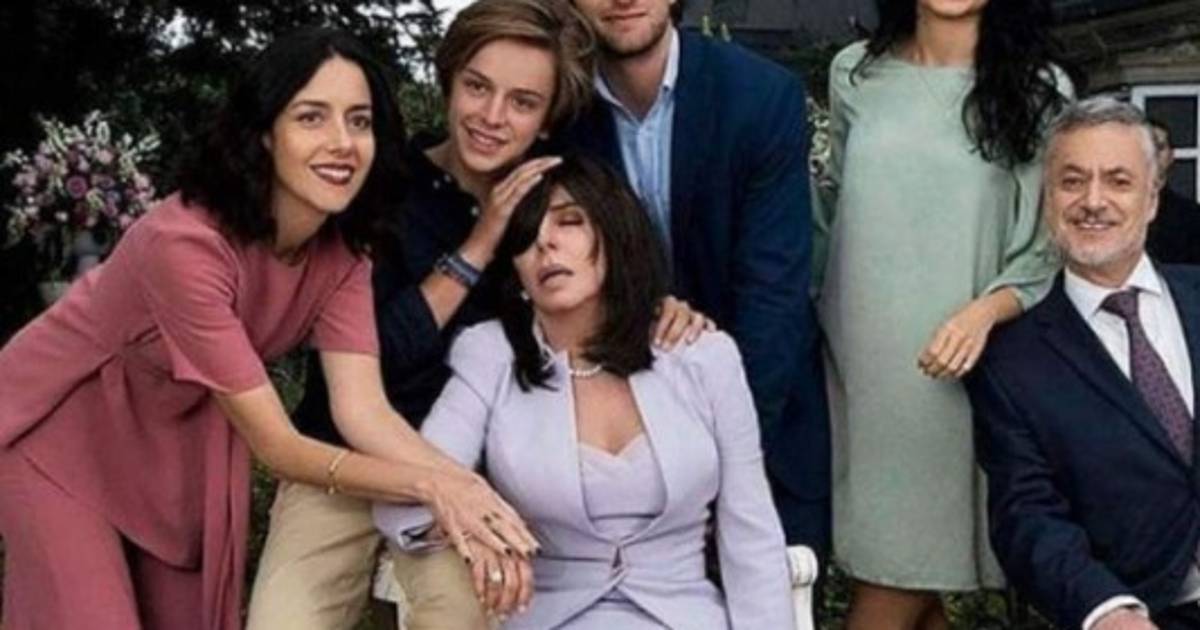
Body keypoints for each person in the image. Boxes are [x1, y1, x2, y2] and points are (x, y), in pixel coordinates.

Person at [0, 27, 536, 630]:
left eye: (359, 121)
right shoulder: (183, 246)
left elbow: (363, 410)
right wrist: (437, 487)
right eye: (311, 117)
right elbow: (278, 447)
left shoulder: (343, 252)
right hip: (64, 433)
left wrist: (467, 492)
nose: (342, 143)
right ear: (263, 133)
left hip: (175, 452)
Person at [247, 5, 709, 630]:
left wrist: (661, 309)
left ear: (547, 120)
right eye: (477, 87)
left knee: (467, 612)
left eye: (522, 102)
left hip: (471, 474)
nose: (492, 117)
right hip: (346, 458)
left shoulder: (557, 203)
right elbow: (372, 361)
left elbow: (612, 304)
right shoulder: (379, 185)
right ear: (449, 81)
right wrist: (479, 245)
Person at [375, 153, 795, 629]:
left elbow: (750, 531)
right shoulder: (490, 355)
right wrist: (483, 531)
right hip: (549, 618)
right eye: (525, 237)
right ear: (516, 275)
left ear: (614, 234)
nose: (545, 244)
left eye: (569, 221)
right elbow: (407, 502)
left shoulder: (704, 357)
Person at [811, 0, 1075, 627]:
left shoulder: (1040, 88)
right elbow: (828, 209)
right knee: (903, 576)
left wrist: (985, 313)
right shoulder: (855, 72)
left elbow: (1049, 241)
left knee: (894, 577)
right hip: (861, 361)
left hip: (963, 360)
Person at [564, 0, 831, 562]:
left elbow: (773, 300)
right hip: (607, 453)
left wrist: (711, 469)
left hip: (757, 435)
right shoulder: (560, 111)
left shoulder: (758, 97)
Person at [966, 97, 1200, 630]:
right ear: (1048, 199)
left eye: (1118, 181)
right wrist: (1109, 611)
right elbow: (1028, 516)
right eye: (1072, 182)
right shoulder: (1012, 362)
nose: (1093, 201)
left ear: (1152, 199)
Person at [1146, 117, 1200, 265]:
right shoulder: (1113, 208)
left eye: (1160, 147)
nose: (1153, 154)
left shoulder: (1192, 216)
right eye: (1147, 148)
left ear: (1171, 156)